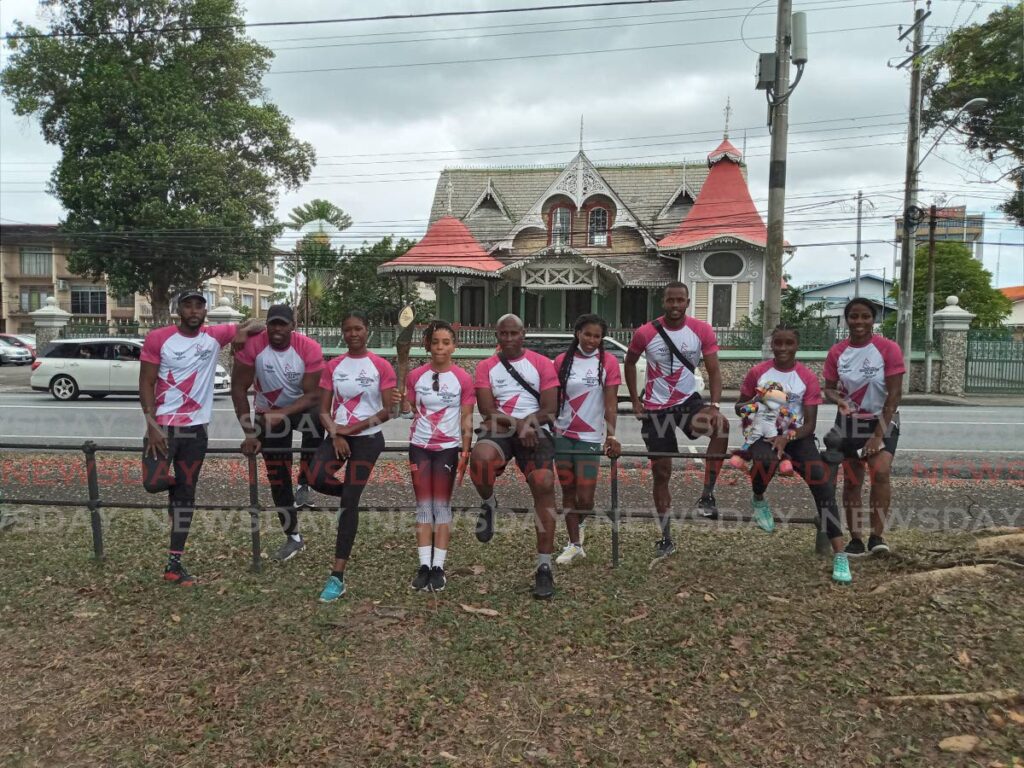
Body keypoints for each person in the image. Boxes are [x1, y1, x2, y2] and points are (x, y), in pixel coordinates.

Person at [140, 290, 265, 586]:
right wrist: (151, 423)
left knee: (186, 498)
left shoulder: (214, 336)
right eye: (188, 305)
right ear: (178, 310)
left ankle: (174, 563)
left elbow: (261, 322)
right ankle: (175, 487)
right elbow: (145, 382)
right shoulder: (159, 338)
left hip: (196, 431)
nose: (194, 310)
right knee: (152, 482)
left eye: (199, 305)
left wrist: (242, 331)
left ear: (204, 311)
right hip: (163, 428)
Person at [737, 324, 851, 584]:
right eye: (779, 343)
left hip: (797, 437)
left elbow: (809, 424)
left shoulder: (806, 377)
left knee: (822, 484)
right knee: (765, 460)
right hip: (762, 434)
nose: (783, 348)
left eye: (789, 343)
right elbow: (739, 407)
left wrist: (786, 437)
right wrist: (757, 403)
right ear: (772, 344)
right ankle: (758, 498)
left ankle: (840, 554)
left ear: (796, 345)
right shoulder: (758, 372)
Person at [624, 282, 729, 558]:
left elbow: (715, 370)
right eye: (670, 300)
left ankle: (707, 495)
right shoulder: (645, 332)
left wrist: (715, 405)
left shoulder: (701, 330)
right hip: (655, 409)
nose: (675, 305)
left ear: (687, 302)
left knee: (721, 427)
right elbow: (629, 362)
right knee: (661, 473)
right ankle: (666, 536)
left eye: (680, 300)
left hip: (687, 403)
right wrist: (636, 399)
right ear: (664, 301)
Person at [471, 314, 559, 599]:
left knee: (544, 484)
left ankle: (544, 567)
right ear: (497, 336)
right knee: (481, 459)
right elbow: (487, 410)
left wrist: (530, 423)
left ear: (524, 334)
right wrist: (517, 424)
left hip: (537, 428)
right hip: (502, 427)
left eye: (513, 334)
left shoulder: (542, 364)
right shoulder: (486, 366)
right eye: (503, 334)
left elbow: (550, 408)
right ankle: (488, 502)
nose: (508, 339)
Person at [311, 310, 397, 602]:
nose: (353, 334)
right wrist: (336, 433)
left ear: (367, 330)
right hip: (338, 436)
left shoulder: (381, 365)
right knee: (315, 477)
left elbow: (387, 410)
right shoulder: (333, 366)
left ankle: (337, 576)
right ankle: (349, 498)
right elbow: (323, 409)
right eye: (348, 329)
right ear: (342, 332)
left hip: (368, 440)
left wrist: (350, 430)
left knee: (349, 505)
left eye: (358, 328)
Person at [231, 304, 325, 562]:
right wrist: (250, 433)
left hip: (299, 408)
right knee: (277, 475)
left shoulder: (308, 348)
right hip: (266, 414)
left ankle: (305, 481)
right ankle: (293, 537)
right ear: (267, 324)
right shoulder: (253, 345)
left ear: (293, 326)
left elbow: (314, 394)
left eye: (283, 324)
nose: (277, 329)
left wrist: (282, 414)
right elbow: (238, 389)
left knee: (317, 420)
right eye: (273, 323)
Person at [823, 298, 904, 557]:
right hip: (849, 423)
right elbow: (828, 389)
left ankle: (877, 537)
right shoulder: (837, 351)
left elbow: (894, 395)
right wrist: (840, 401)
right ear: (846, 319)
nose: (859, 322)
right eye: (854, 316)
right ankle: (856, 538)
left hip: (883, 420)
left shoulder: (888, 349)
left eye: (865, 316)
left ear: (873, 319)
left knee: (880, 472)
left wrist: (878, 435)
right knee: (852, 480)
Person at [405, 320, 475, 592]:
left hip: (448, 448)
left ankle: (439, 568)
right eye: (435, 343)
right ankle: (424, 565)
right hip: (420, 446)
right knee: (424, 506)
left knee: (441, 507)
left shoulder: (463, 378)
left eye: (446, 342)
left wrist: (466, 450)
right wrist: (401, 399)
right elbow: (407, 409)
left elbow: (466, 418)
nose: (440, 348)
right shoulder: (415, 376)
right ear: (428, 346)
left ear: (454, 346)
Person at [552, 314, 621, 566]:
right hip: (561, 435)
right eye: (587, 334)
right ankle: (574, 544)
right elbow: (552, 397)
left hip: (590, 437)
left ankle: (579, 525)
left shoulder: (608, 362)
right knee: (568, 491)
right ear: (577, 333)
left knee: (586, 498)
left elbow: (611, 402)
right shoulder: (561, 361)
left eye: (597, 336)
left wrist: (611, 434)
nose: (592, 340)